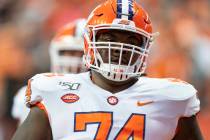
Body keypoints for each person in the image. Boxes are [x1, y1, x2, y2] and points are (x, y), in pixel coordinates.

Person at [12, 0, 203, 140]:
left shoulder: (172, 98)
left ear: (146, 46)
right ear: (89, 41)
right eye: (109, 38)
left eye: (131, 41)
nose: (120, 47)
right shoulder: (53, 91)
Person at [11, 18, 86, 125]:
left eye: (81, 53)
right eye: (68, 52)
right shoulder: (35, 90)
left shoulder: (104, 93)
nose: (73, 60)